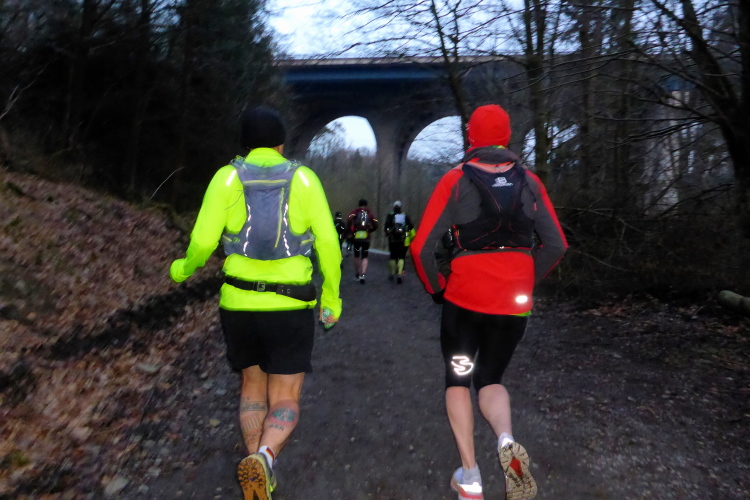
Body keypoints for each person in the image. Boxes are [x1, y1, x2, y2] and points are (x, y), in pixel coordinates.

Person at [169, 105, 342, 500]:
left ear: (244, 145)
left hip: (239, 304)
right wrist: (331, 298)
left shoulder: (226, 177)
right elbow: (330, 247)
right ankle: (264, 458)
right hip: (290, 306)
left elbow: (202, 242)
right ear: (281, 144)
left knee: (252, 385)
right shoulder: (304, 178)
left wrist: (182, 269)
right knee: (286, 395)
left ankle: (256, 467)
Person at [411, 104, 567, 500]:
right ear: (507, 137)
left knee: (459, 379)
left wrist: (437, 287)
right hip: (513, 302)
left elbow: (421, 247)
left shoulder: (455, 179)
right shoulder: (530, 181)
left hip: (465, 301)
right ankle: (506, 442)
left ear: (471, 138)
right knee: (491, 379)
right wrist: (525, 279)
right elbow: (556, 245)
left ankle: (469, 476)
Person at [346, 198, 378, 284]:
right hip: (366, 237)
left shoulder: (355, 212)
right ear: (366, 205)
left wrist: (350, 231)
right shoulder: (369, 213)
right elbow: (376, 223)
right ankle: (363, 274)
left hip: (356, 236)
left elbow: (349, 219)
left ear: (359, 204)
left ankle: (357, 274)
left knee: (356, 255)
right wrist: (370, 230)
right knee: (365, 256)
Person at [384, 200, 413, 284]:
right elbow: (411, 227)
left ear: (394, 207)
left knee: (392, 256)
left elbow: (386, 227)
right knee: (400, 257)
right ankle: (399, 274)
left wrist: (388, 233)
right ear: (400, 207)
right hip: (401, 239)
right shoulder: (404, 215)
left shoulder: (390, 215)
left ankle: (392, 273)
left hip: (392, 239)